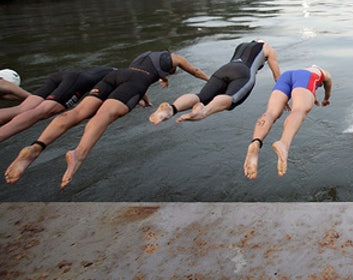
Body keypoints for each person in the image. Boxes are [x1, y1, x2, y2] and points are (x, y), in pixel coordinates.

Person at [4, 51, 208, 187]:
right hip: (134, 83)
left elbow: (133, 80)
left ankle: (37, 146)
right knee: (102, 116)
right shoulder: (175, 57)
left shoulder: (144, 58)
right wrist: (211, 80)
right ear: (170, 65)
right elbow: (195, 71)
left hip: (116, 77)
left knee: (76, 113)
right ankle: (78, 155)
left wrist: (146, 97)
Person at [149, 40, 281, 124]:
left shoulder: (242, 45)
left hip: (224, 70)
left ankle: (171, 109)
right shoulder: (267, 48)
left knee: (201, 97)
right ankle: (204, 111)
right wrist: (284, 96)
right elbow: (277, 76)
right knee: (231, 99)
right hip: (243, 73)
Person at [243, 65, 332, 179]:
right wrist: (326, 99)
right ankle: (284, 144)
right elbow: (328, 84)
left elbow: (304, 87)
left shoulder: (299, 71)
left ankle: (256, 141)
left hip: (285, 76)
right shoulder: (322, 73)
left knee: (270, 113)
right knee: (299, 110)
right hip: (305, 78)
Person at [0, 66, 116, 142]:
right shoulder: (129, 82)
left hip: (65, 76)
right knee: (42, 112)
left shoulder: (121, 74)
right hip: (74, 81)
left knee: (24, 109)